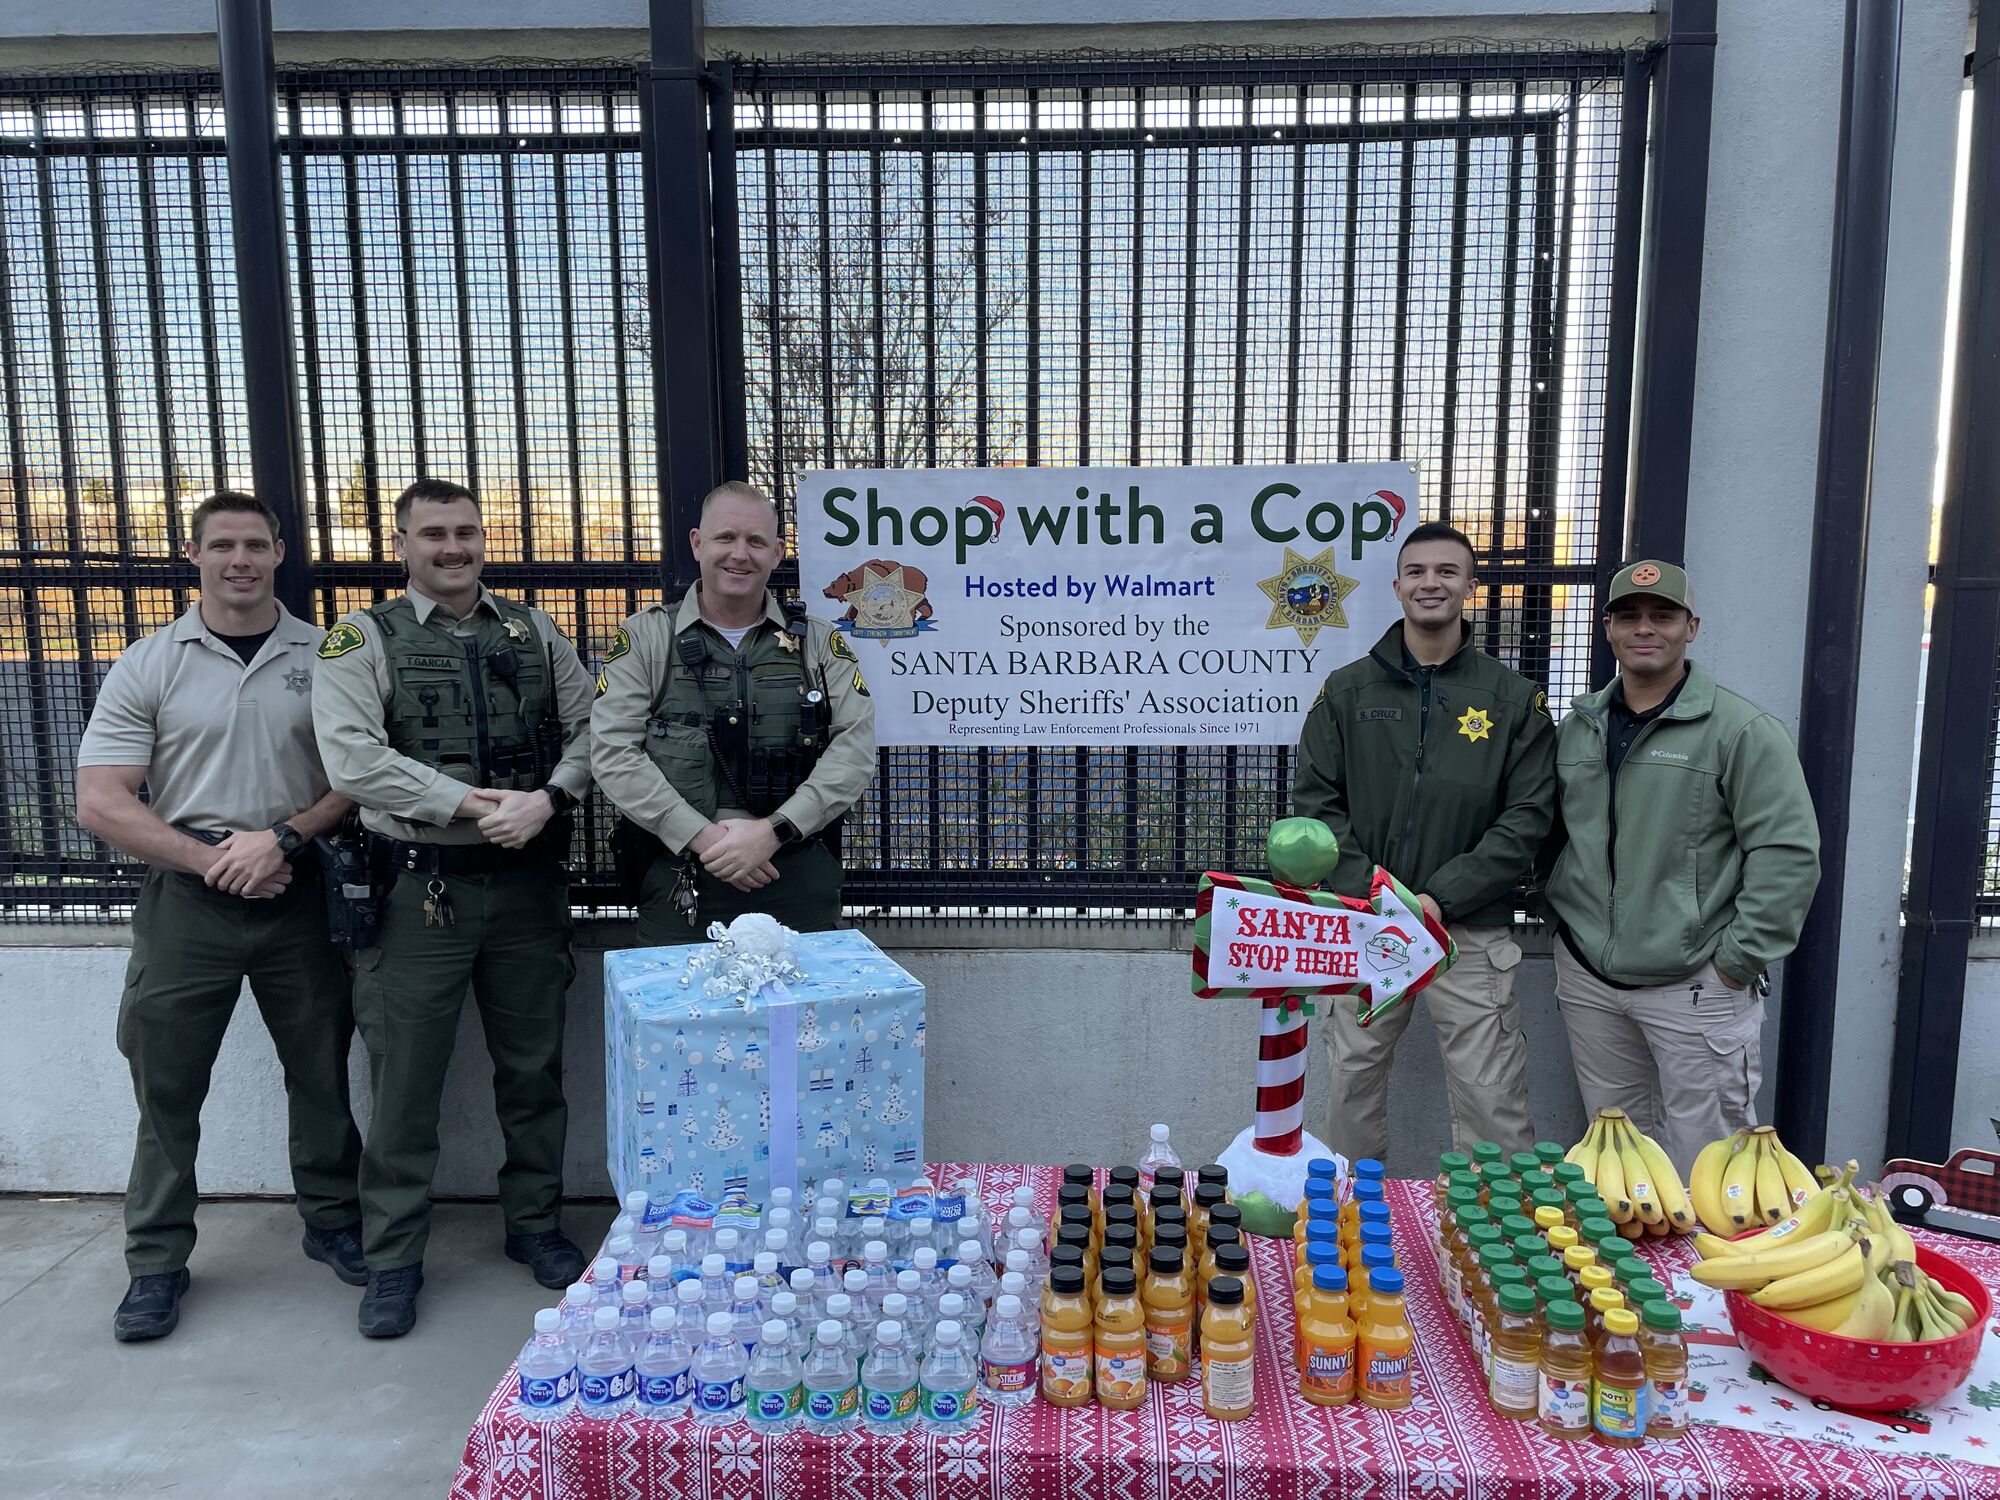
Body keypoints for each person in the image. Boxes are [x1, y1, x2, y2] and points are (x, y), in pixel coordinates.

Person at [75, 491, 365, 1343]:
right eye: (222, 545)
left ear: (281, 553)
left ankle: (333, 1221)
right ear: (193, 555)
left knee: (320, 1070)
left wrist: (282, 839)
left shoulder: (330, 655)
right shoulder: (151, 662)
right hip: (186, 900)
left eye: (256, 545)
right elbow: (101, 799)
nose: (240, 559)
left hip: (299, 888)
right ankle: (156, 1261)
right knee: (165, 1083)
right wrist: (212, 860)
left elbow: (359, 775)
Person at [311, 477, 595, 1338]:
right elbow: (354, 761)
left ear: (483, 538)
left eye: (465, 531)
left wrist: (549, 796)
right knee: (404, 1081)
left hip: (525, 890)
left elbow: (594, 727)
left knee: (533, 1069)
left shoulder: (533, 630)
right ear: (402, 544)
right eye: (433, 533)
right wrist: (479, 807)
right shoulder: (359, 638)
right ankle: (394, 1257)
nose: (453, 547)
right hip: (417, 892)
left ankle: (536, 1226)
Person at [1292, 520, 1555, 1162]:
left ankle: (1492, 1232)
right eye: (1416, 572)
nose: (1430, 583)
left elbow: (1530, 816)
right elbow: (1317, 802)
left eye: (1446, 571)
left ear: (1470, 584)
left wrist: (1439, 896)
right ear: (1397, 586)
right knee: (1351, 1084)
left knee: (1490, 1093)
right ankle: (1349, 1224)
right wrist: (1374, 893)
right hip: (1365, 923)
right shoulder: (1346, 691)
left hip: (1465, 929)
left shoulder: (1511, 699)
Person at [1545, 560, 1820, 1174]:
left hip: (1696, 983)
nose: (1647, 628)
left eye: (1663, 616)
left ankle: (1707, 1274)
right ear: (1607, 629)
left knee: (1711, 1165)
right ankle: (1630, 1273)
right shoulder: (1579, 728)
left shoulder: (1742, 730)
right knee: (1617, 1163)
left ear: (1691, 628)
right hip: (1592, 980)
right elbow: (1557, 835)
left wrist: (1737, 961)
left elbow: (1787, 855)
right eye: (1630, 616)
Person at [592, 480, 876, 942]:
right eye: (725, 538)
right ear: (697, 543)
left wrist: (772, 833)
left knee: (799, 1016)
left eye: (756, 541)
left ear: (777, 552)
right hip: (682, 875)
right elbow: (612, 752)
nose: (739, 554)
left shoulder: (820, 643)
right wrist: (704, 840)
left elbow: (854, 749)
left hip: (794, 873)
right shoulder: (646, 639)